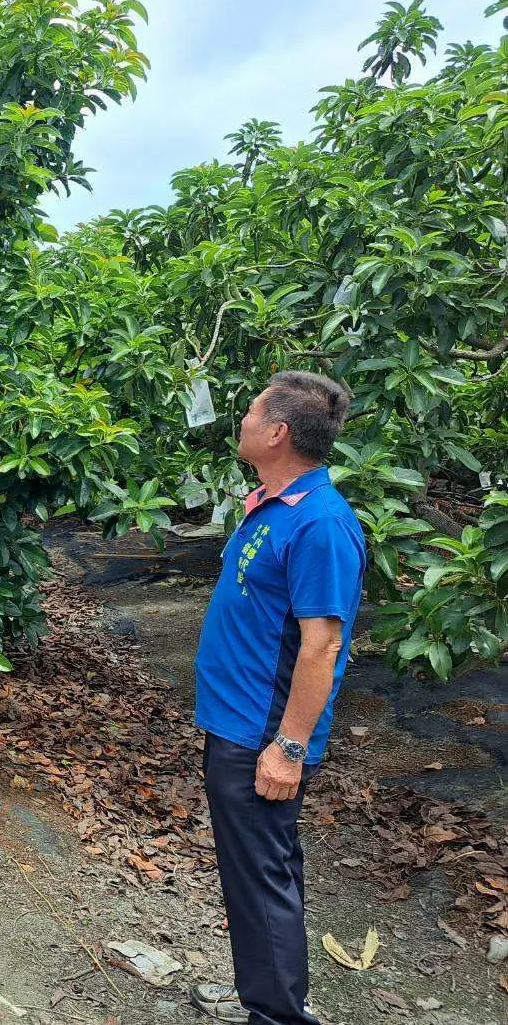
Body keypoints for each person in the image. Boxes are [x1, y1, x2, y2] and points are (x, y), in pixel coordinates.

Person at [189, 371, 365, 1025]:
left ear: (277, 432)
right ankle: (273, 997)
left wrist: (287, 749)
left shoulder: (321, 523)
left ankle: (277, 1015)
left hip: (262, 733)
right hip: (237, 722)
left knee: (259, 878)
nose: (239, 419)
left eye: (250, 411)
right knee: (261, 871)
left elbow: (320, 646)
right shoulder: (277, 502)